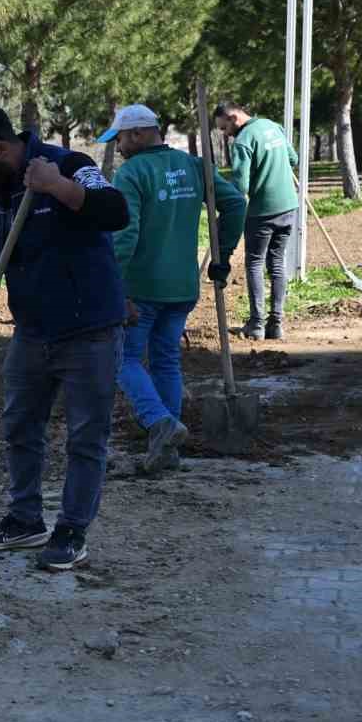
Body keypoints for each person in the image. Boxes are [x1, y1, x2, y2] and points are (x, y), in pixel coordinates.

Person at [0, 104, 130, 571]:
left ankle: (71, 530)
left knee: (87, 435)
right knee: (19, 427)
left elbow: (115, 211)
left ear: (2, 148)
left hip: (90, 329)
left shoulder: (70, 165)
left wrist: (59, 188)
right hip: (32, 331)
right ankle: (24, 519)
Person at [103, 104, 246, 474]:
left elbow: (125, 235)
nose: (117, 146)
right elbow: (235, 205)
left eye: (119, 138)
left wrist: (115, 286)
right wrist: (222, 256)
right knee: (166, 359)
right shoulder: (194, 166)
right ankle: (167, 451)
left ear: (136, 134)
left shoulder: (131, 173)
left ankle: (159, 422)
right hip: (182, 286)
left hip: (141, 287)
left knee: (123, 360)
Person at [213, 100, 299, 340]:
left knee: (254, 264)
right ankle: (277, 324)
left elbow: (240, 186)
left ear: (232, 118)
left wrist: (225, 208)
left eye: (223, 128)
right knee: (277, 263)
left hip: (263, 211)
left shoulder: (243, 141)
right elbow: (293, 159)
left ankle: (257, 325)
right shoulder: (273, 126)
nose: (226, 134)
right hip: (289, 206)